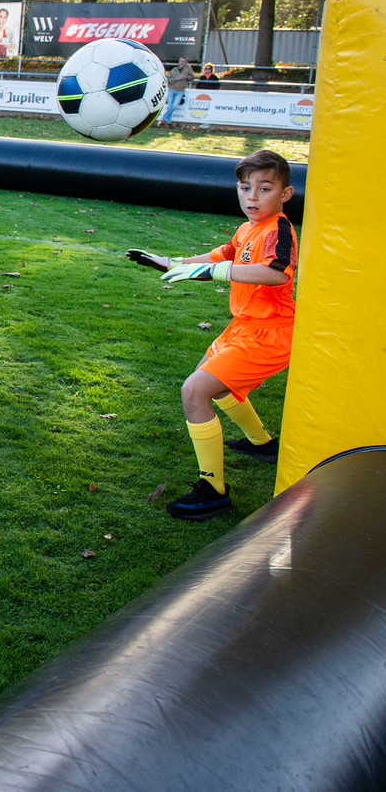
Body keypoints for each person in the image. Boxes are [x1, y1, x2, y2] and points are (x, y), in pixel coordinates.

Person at [125, 149, 297, 521]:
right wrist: (170, 262)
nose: (252, 197)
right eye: (245, 187)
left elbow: (277, 273)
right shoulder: (247, 227)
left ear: (285, 194)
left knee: (195, 390)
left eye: (264, 188)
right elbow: (220, 256)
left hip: (270, 332)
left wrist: (213, 275)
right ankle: (263, 445)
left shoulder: (279, 229)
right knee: (213, 385)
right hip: (244, 326)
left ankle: (213, 491)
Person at [158, 56, 194, 126]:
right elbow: (169, 80)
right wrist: (177, 79)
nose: (182, 62)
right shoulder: (174, 69)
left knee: (174, 106)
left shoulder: (188, 69)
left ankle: (162, 119)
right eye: (181, 61)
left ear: (186, 62)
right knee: (169, 106)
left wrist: (186, 77)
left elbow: (192, 77)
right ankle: (169, 121)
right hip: (172, 89)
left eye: (183, 61)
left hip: (180, 90)